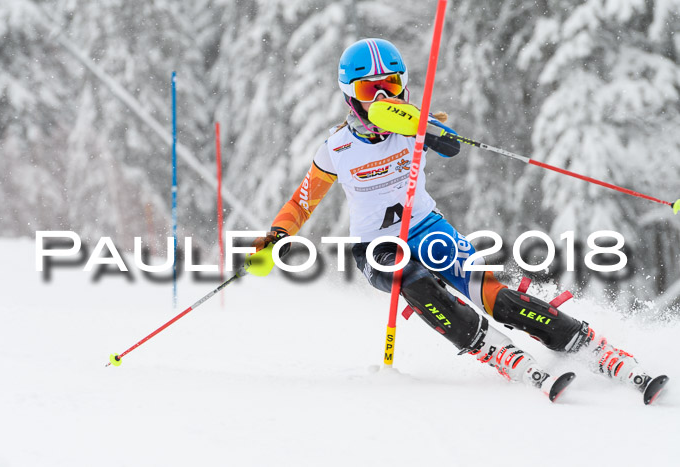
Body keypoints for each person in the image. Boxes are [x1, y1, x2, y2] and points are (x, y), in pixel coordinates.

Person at [252, 38, 667, 403]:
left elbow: (450, 145)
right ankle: (494, 349)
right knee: (411, 280)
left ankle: (588, 344)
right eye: (369, 89)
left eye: (391, 85)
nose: (382, 97)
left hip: (429, 228)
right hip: (376, 246)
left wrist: (422, 129)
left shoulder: (409, 125)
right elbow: (303, 201)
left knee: (494, 295)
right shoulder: (336, 149)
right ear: (349, 95)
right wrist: (277, 234)